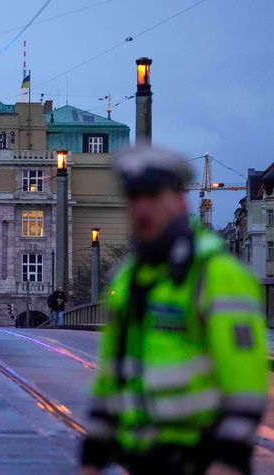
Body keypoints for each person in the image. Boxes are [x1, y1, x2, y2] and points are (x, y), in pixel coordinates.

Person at [80, 147, 269, 475]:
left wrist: (229, 461)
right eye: (134, 197)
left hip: (200, 457)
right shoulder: (128, 279)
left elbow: (246, 381)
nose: (142, 207)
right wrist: (92, 458)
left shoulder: (217, 274)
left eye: (153, 195)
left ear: (180, 200)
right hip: (138, 457)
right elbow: (112, 378)